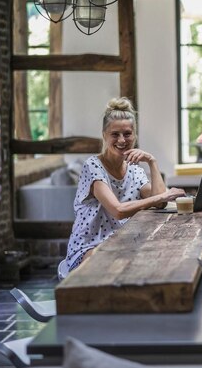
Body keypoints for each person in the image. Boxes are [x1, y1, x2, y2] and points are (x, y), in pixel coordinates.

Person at [65, 97, 185, 272]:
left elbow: (160, 202)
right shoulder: (93, 166)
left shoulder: (134, 170)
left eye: (127, 134)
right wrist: (162, 195)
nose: (122, 140)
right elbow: (119, 211)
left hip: (122, 246)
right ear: (104, 135)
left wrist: (152, 161)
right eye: (115, 134)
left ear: (134, 136)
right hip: (88, 248)